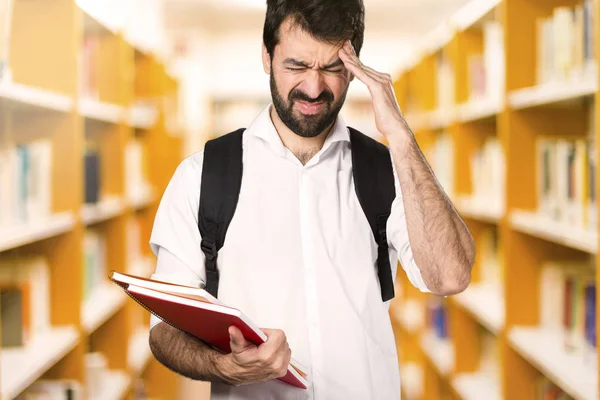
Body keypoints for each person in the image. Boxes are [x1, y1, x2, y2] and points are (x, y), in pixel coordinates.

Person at [147, 0, 475, 398]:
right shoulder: (203, 176)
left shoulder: (387, 171)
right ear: (267, 56)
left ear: (355, 67)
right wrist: (225, 366)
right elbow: (164, 331)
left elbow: (450, 276)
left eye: (333, 68)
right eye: (297, 66)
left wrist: (401, 136)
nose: (314, 87)